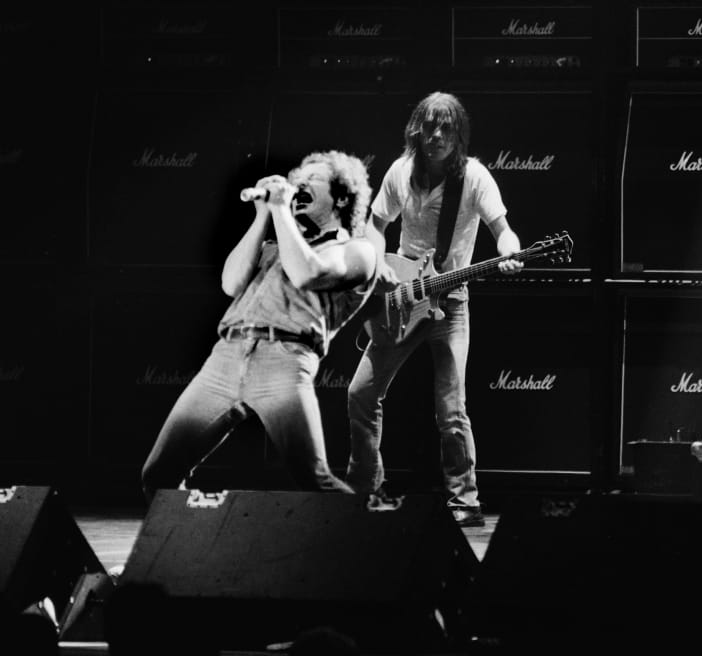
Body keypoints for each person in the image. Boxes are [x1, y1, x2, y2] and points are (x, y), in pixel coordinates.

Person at [141, 150, 377, 504]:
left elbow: (307, 272)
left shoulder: (357, 251)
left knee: (314, 480)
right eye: (297, 180)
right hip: (225, 358)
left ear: (341, 197)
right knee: (158, 475)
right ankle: (188, 554)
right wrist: (263, 215)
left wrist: (281, 209)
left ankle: (373, 548)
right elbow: (231, 283)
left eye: (312, 179)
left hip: (283, 360)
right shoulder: (274, 246)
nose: (299, 185)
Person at [345, 91, 523, 527]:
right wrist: (379, 265)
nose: (437, 135)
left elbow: (503, 230)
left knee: (451, 409)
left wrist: (511, 253)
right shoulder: (400, 172)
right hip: (401, 296)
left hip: (450, 300)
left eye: (446, 128)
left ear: (458, 134)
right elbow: (374, 224)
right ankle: (365, 491)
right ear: (416, 130)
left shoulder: (475, 178)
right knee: (360, 395)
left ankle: (464, 501)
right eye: (429, 126)